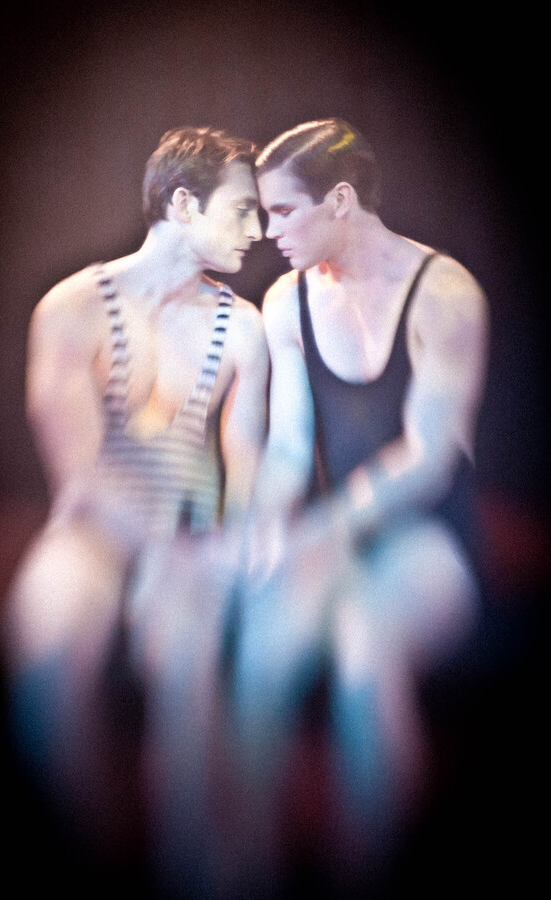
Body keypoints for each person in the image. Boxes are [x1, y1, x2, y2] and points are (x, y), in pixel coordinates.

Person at [2, 126, 269, 885]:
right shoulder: (71, 308)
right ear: (184, 205)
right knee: (49, 640)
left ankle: (199, 865)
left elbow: (244, 461)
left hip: (188, 530)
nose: (258, 229)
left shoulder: (243, 329)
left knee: (185, 656)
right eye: (243, 209)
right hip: (92, 531)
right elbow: (80, 479)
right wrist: (155, 552)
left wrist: (231, 542)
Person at [232, 118, 489, 890]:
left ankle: (372, 871)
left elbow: (429, 461)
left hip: (431, 540)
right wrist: (265, 529)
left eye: (283, 211)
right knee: (260, 655)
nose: (267, 231)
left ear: (340, 200)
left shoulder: (444, 291)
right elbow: (288, 449)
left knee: (364, 649)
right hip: (335, 536)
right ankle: (238, 871)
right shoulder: (286, 300)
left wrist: (322, 531)